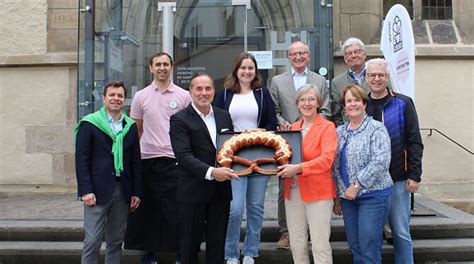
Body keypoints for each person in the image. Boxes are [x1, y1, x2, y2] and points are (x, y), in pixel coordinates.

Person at [125, 52, 191, 263]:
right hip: (148, 160)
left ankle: (181, 252)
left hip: (175, 159)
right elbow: (137, 130)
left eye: (165, 64)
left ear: (171, 67)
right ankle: (149, 252)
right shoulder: (141, 96)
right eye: (157, 64)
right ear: (151, 68)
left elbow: (189, 129)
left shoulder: (183, 96)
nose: (162, 68)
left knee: (178, 208)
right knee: (150, 210)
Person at [214, 52, 277, 264]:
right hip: (233, 157)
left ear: (255, 72)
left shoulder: (262, 94)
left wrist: (261, 130)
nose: (247, 72)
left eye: (251, 68)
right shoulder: (224, 95)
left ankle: (250, 251)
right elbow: (217, 124)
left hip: (259, 153)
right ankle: (231, 253)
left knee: (256, 207)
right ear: (236, 71)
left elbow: (272, 123)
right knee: (235, 208)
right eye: (243, 68)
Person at [170, 72, 239, 264]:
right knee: (189, 246)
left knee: (217, 245)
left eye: (208, 88)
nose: (204, 93)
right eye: (198, 88)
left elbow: (231, 148)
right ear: (190, 92)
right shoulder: (179, 119)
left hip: (220, 192)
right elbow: (183, 156)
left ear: (213, 91)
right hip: (192, 192)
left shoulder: (224, 116)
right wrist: (211, 172)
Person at [269, 40, 331, 249]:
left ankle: (314, 231)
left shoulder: (319, 80)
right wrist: (287, 126)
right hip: (288, 138)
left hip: (314, 136)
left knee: (313, 178)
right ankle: (286, 232)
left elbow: (325, 109)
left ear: (309, 55)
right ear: (288, 57)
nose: (298, 57)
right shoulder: (277, 81)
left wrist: (311, 127)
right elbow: (274, 110)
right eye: (294, 54)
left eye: (302, 53)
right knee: (285, 187)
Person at [75, 81, 143, 263]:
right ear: (104, 98)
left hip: (122, 191)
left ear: (124, 100)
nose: (116, 98)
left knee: (115, 241)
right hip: (96, 191)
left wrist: (136, 191)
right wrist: (85, 190)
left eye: (120, 96)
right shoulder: (89, 124)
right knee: (92, 241)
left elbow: (135, 161)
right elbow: (81, 160)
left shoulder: (130, 127)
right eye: (112, 95)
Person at [365, 58, 424, 264]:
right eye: (372, 75)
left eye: (381, 75)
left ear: (387, 77)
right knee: (371, 236)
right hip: (370, 182)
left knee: (400, 232)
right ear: (366, 78)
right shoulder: (361, 104)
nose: (377, 78)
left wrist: (415, 175)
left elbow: (415, 141)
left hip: (398, 178)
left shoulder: (403, 103)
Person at [276, 84, 337, 264]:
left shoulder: (327, 127)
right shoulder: (292, 128)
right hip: (293, 192)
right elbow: (285, 158)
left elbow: (327, 160)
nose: (307, 103)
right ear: (297, 104)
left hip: (318, 193)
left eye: (311, 99)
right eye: (302, 100)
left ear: (318, 103)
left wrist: (299, 168)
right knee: (296, 243)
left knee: (320, 244)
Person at [332, 84, 393, 264]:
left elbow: (381, 161)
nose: (353, 104)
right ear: (344, 106)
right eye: (349, 101)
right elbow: (335, 167)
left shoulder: (376, 128)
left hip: (373, 196)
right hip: (348, 199)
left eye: (357, 100)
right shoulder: (339, 132)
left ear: (364, 104)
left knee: (369, 247)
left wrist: (357, 185)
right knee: (355, 246)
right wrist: (338, 195)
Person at [331, 37, 369, 127]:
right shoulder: (337, 83)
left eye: (357, 52)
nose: (353, 56)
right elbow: (336, 114)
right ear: (345, 58)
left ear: (364, 54)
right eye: (349, 53)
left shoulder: (376, 77)